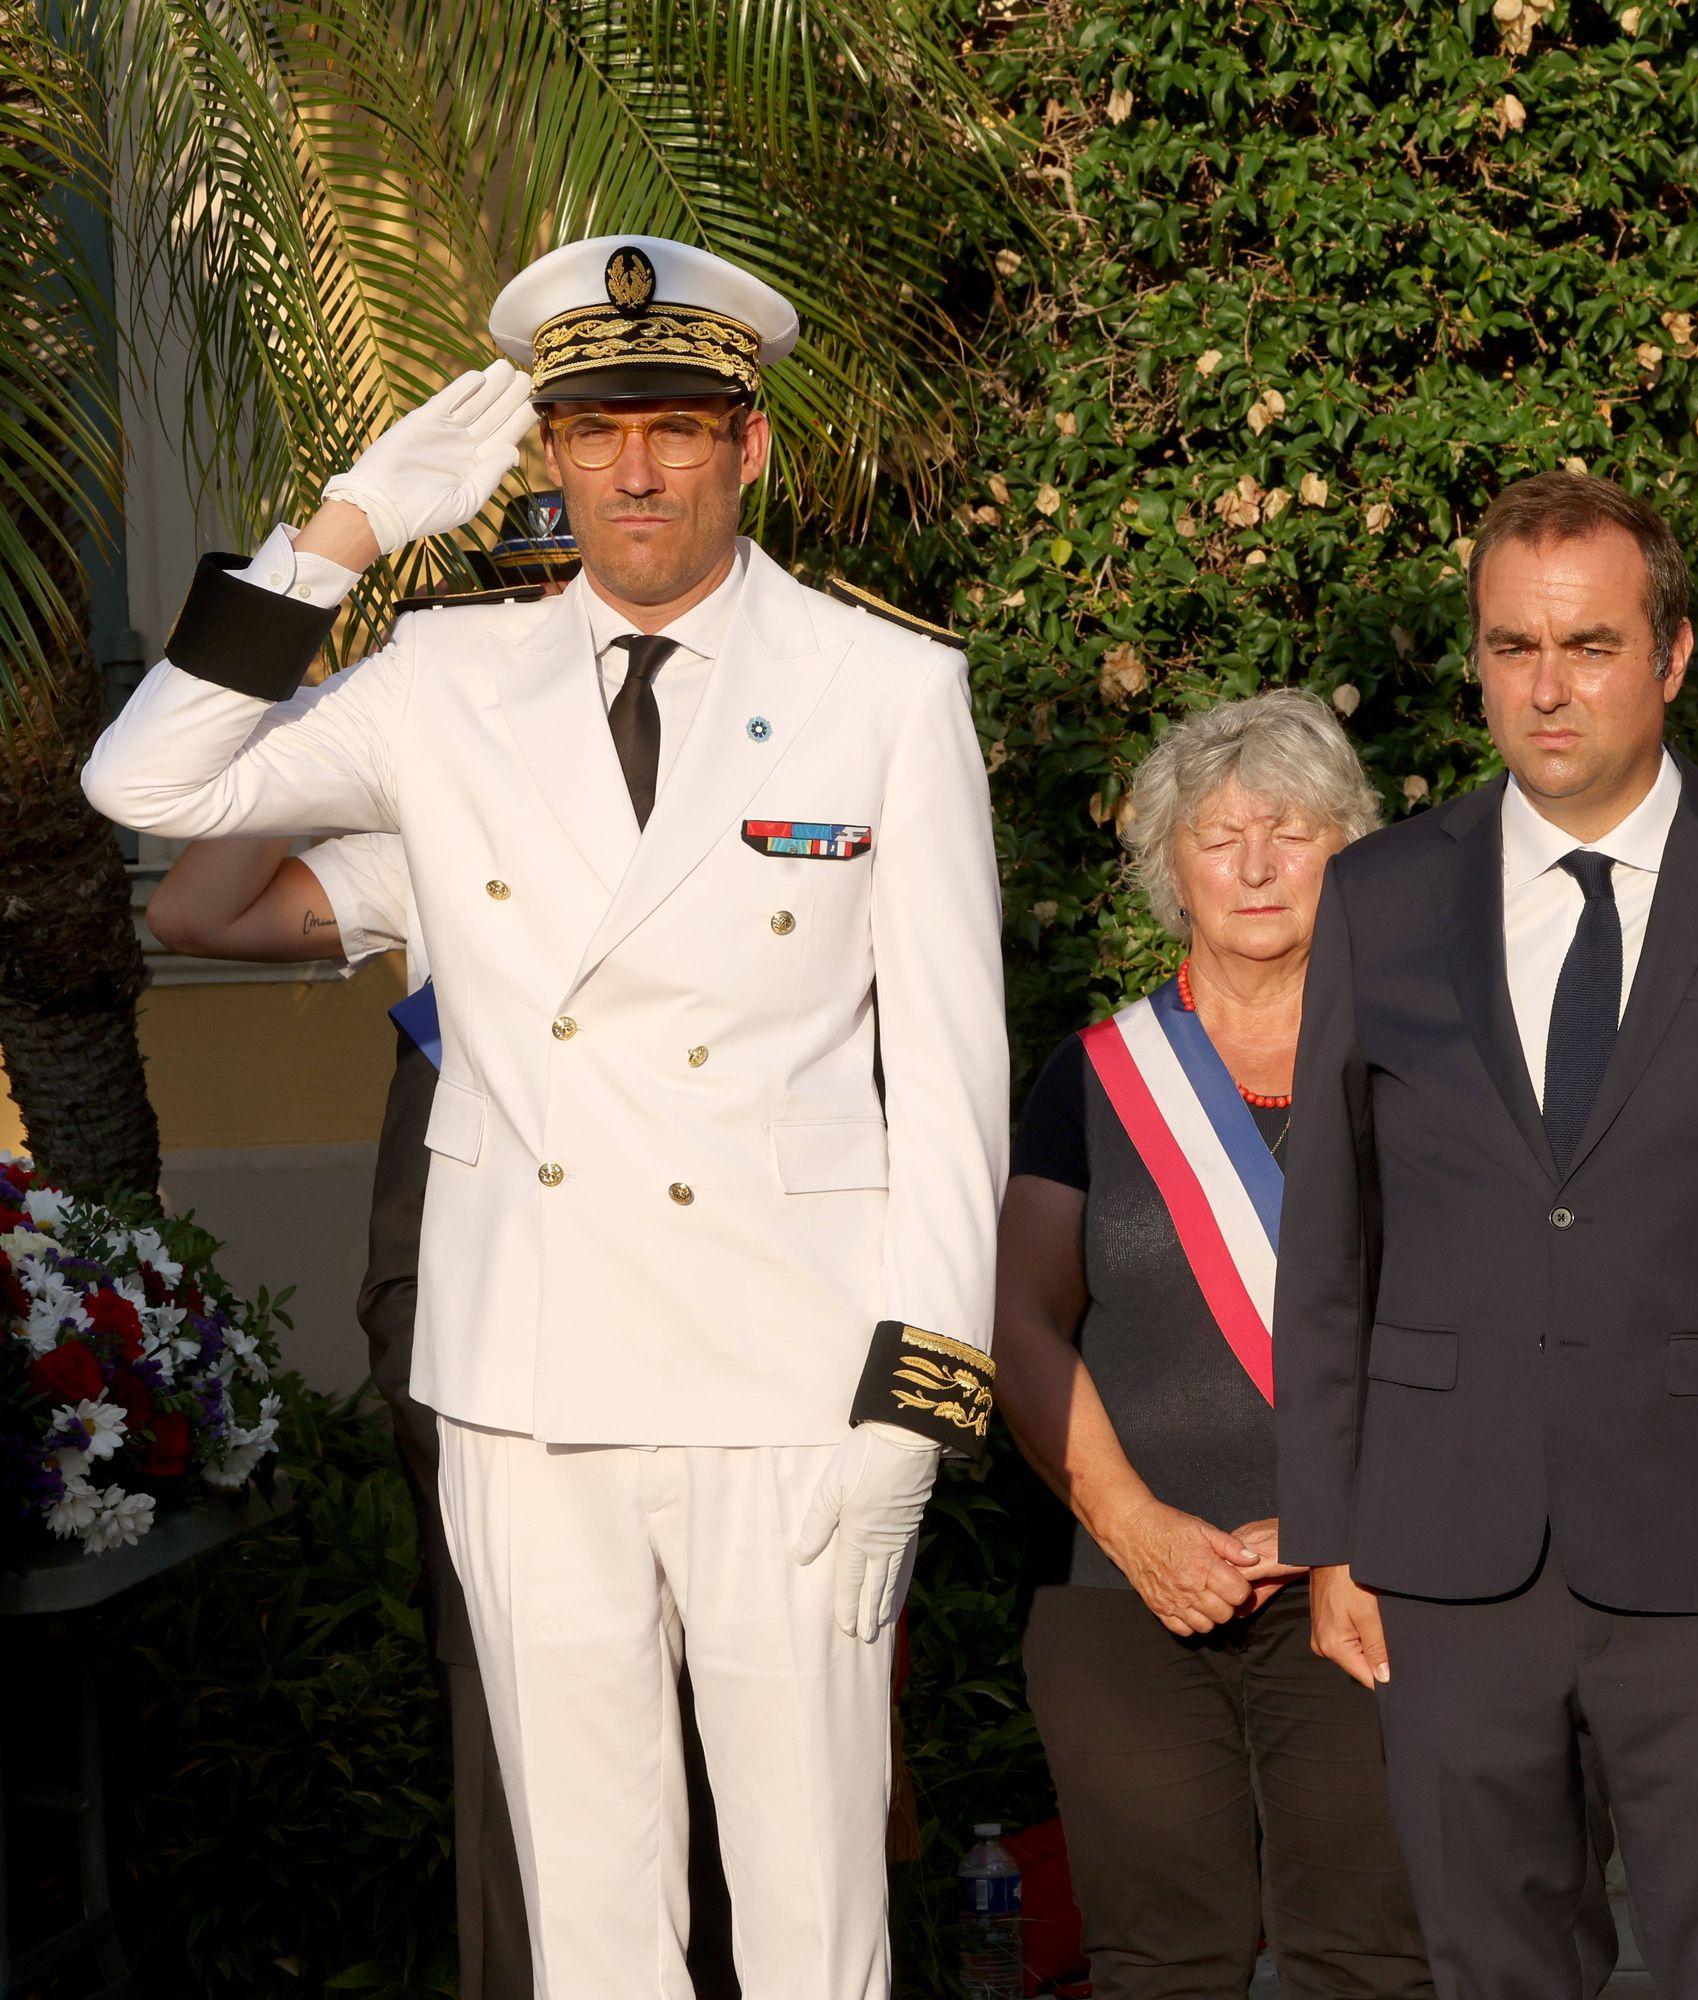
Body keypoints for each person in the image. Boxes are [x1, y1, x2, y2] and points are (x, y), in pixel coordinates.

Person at [78, 234, 1010, 1997]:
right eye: (592, 431)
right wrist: (341, 529)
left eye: (671, 426)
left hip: (788, 1385)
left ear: (747, 440)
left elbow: (953, 1077)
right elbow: (146, 783)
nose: (632, 469)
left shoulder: (884, 690)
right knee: (589, 1927)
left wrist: (918, 1406)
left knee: (818, 1917)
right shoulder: (443, 676)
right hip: (530, 1383)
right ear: (551, 454)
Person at [1273, 470, 1698, 1999]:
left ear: (1675, 653)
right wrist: (1331, 1528)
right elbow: (1331, 1247)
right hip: (1446, 1554)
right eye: (1514, 647)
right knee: (1496, 1965)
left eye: (1588, 644)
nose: (1549, 686)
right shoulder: (1380, 898)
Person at [989, 689, 1431, 1998]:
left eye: (1289, 831)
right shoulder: (1090, 1078)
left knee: (1369, 1961)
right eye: (1216, 834)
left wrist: (1349, 1522)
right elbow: (1018, 1319)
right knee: (1157, 1965)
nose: (1251, 866)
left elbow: (1490, 1327)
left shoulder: (1426, 1071)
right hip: (1121, 1603)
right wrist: (1130, 1523)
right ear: (1165, 864)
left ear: (1348, 850)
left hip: (1369, 1588)